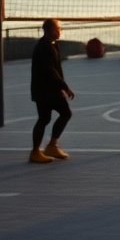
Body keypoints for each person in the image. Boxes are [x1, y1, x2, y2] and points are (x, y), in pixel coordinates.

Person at [29, 18, 75, 163]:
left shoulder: (53, 45)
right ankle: (40, 150)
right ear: (49, 30)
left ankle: (49, 147)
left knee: (46, 118)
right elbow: (50, 71)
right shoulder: (44, 47)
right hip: (45, 91)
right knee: (62, 114)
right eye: (58, 28)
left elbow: (56, 70)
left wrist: (61, 86)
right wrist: (64, 87)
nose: (60, 31)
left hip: (48, 90)